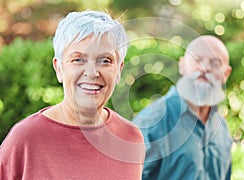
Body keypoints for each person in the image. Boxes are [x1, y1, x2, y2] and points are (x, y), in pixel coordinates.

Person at [0, 10, 145, 179]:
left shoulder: (131, 137)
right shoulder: (25, 139)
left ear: (119, 70)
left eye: (105, 60)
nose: (92, 73)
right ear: (59, 69)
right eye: (78, 59)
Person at [133, 35, 233, 179]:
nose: (205, 68)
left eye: (215, 63)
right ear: (182, 65)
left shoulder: (222, 129)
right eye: (197, 60)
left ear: (226, 74)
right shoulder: (151, 120)